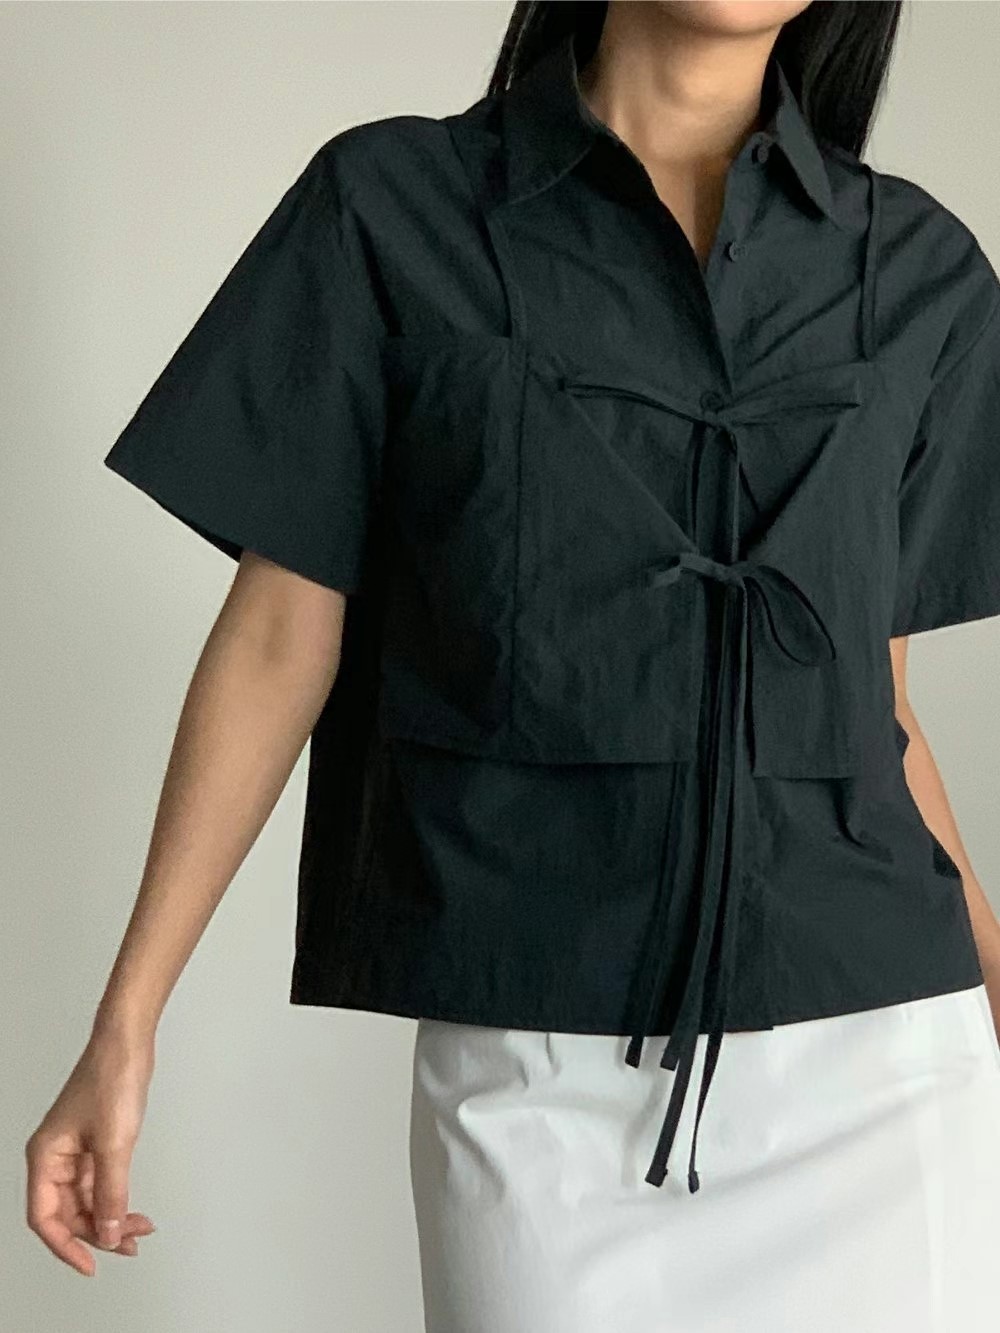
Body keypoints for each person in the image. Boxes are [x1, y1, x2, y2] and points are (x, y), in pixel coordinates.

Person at [25, 0, 1000, 1327]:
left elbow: (875, 706)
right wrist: (125, 1022)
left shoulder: (920, 270)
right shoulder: (389, 209)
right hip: (534, 1079)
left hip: (886, 1059)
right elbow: (278, 634)